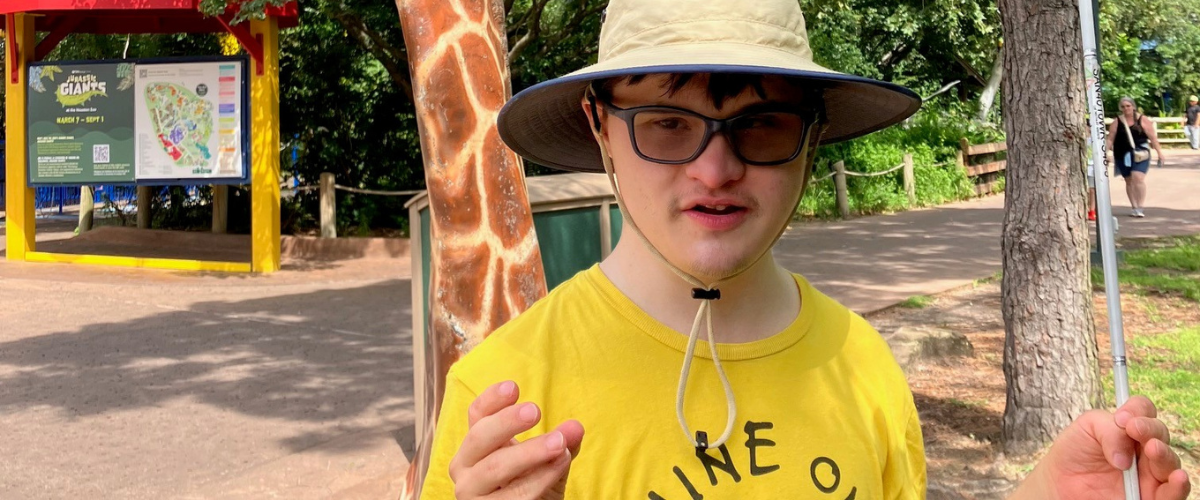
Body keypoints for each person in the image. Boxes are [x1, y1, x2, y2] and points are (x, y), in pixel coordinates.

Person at [421, 0, 1193, 498]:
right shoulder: (504, 398)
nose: (715, 170)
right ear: (600, 125)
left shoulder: (862, 363)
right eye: (667, 124)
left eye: (761, 124)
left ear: (813, 135)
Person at [1106, 96, 1164, 218]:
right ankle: (1134, 206)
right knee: (1128, 180)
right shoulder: (1117, 122)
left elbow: (1153, 138)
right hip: (1122, 154)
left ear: (1133, 106)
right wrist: (1105, 153)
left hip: (1140, 153)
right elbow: (1110, 138)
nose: (1126, 108)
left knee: (1138, 177)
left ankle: (1140, 206)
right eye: (1123, 106)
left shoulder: (1142, 120)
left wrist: (1160, 153)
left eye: (1128, 106)